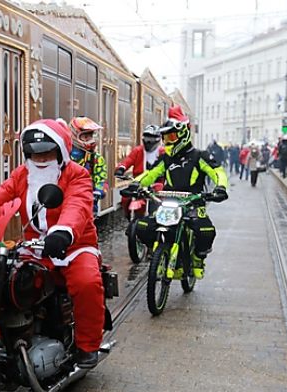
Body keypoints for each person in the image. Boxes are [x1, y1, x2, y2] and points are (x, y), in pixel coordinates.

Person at [0, 119, 105, 368]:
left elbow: (77, 207)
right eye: (35, 153)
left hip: (74, 245)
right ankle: (8, 334)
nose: (41, 157)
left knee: (87, 282)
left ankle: (87, 346)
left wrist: (63, 233)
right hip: (35, 245)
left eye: (47, 150)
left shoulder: (77, 175)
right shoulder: (22, 175)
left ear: (60, 149)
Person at [127, 106, 228, 279]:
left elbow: (218, 173)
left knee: (204, 230)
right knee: (143, 227)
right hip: (168, 201)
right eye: (165, 137)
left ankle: (197, 259)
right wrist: (135, 184)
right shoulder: (166, 158)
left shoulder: (200, 156)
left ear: (183, 135)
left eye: (171, 136)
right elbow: (150, 175)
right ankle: (159, 251)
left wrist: (220, 188)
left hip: (194, 202)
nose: (167, 141)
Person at [114, 124, 163, 218]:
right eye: (147, 137)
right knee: (125, 198)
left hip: (157, 183)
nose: (149, 141)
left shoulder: (163, 152)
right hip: (138, 183)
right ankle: (128, 216)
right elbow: (128, 161)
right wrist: (121, 169)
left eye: (152, 138)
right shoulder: (138, 150)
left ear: (158, 139)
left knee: (160, 202)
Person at [68, 116, 107, 214]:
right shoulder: (64, 157)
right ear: (74, 135)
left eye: (91, 136)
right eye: (86, 137)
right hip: (66, 202)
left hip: (88, 204)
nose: (90, 140)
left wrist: (99, 190)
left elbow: (102, 178)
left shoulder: (97, 159)